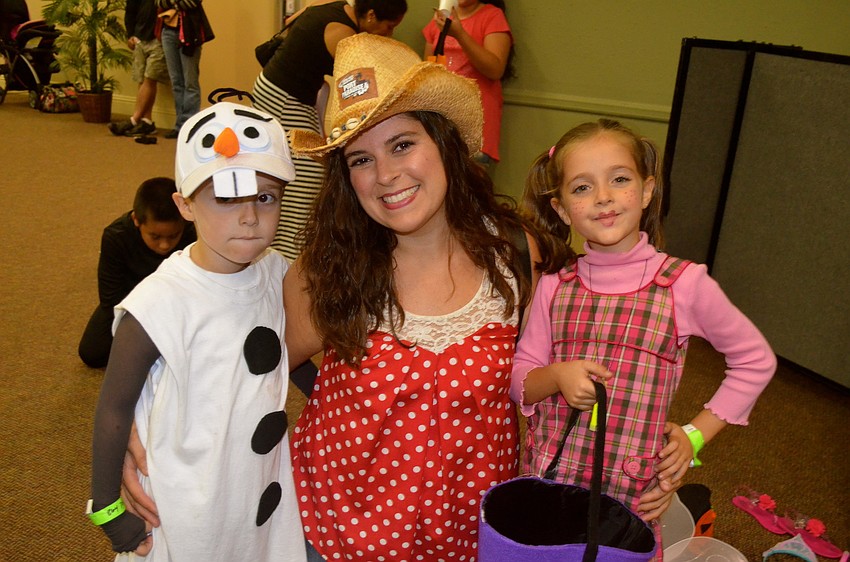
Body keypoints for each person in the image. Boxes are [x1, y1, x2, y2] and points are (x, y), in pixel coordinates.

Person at [513, 118, 777, 546]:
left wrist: (694, 436)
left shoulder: (684, 284)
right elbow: (520, 379)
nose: (603, 198)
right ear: (561, 208)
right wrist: (557, 376)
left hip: (631, 496)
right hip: (550, 482)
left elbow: (754, 361)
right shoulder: (553, 287)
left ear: (648, 190)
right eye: (582, 187)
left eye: (619, 179)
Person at [88, 101, 306, 560]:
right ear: (184, 205)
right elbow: (113, 409)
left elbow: (285, 355)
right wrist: (108, 511)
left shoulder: (274, 272)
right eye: (226, 198)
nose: (249, 216)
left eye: (265, 197)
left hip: (254, 482)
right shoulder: (158, 302)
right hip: (184, 501)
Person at [252, 0, 407, 261]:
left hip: (291, 94)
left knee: (310, 170)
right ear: (371, 15)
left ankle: (289, 248)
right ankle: (288, 255)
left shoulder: (333, 8)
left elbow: (296, 25)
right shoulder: (344, 36)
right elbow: (360, 85)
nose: (388, 33)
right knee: (307, 176)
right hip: (283, 98)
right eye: (389, 26)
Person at [78, 177, 195, 369]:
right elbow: (110, 299)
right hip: (128, 302)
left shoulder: (189, 232)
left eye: (173, 236)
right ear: (136, 221)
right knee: (92, 353)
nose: (165, 245)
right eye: (155, 236)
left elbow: (191, 287)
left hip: (171, 301)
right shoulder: (115, 237)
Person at [423, 0, 514, 170]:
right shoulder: (438, 20)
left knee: (472, 187)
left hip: (476, 119)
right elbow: (428, 69)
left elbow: (495, 69)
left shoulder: (492, 16)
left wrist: (460, 34)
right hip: (442, 117)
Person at [108, 0, 170, 138]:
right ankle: (146, 121)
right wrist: (130, 35)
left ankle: (134, 120)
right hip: (140, 39)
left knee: (150, 78)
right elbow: (130, 12)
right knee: (142, 80)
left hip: (159, 39)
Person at [154, 0, 214, 139]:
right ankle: (179, 125)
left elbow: (192, 2)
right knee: (176, 82)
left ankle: (190, 125)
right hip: (168, 32)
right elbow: (158, 3)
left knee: (190, 82)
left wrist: (172, 3)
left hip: (190, 32)